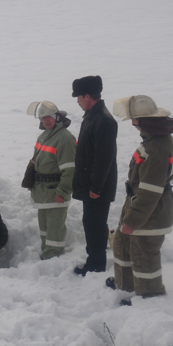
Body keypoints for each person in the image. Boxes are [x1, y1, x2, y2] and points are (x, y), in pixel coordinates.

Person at [106, 95, 173, 305]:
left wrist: (133, 220)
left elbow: (150, 192)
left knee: (144, 255)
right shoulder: (154, 138)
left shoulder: (157, 148)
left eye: (135, 120)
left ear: (146, 121)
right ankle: (126, 285)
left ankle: (150, 296)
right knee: (123, 245)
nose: (133, 124)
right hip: (138, 204)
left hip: (151, 213)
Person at [71, 76, 118, 276]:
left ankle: (97, 264)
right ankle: (94, 259)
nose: (77, 101)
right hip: (90, 185)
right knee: (91, 223)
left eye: (78, 97)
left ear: (87, 96)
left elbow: (104, 158)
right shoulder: (92, 116)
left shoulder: (104, 121)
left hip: (97, 187)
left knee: (96, 224)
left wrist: (96, 188)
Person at [25, 101, 77, 259]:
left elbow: (70, 169)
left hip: (55, 192)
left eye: (49, 117)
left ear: (57, 117)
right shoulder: (44, 136)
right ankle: (47, 256)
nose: (45, 121)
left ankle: (54, 258)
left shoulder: (65, 138)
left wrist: (62, 191)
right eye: (42, 118)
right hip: (44, 192)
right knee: (45, 229)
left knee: (54, 230)